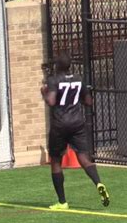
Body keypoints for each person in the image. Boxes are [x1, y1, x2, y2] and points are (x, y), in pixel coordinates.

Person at [40, 51, 110, 210]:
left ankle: (62, 201)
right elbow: (88, 101)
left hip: (60, 125)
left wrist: (44, 93)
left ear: (57, 66)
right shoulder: (79, 79)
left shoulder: (53, 80)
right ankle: (98, 182)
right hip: (77, 123)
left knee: (56, 161)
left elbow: (51, 101)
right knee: (84, 158)